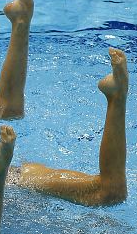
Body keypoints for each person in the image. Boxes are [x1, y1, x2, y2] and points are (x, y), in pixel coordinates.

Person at [17, 47, 129, 206]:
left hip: (10, 180)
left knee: (109, 191)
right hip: (10, 181)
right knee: (110, 192)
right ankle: (116, 96)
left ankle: (116, 97)